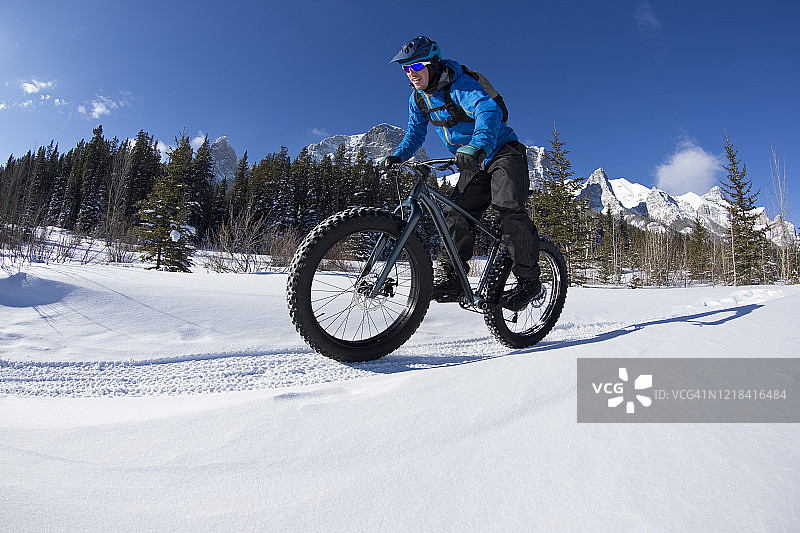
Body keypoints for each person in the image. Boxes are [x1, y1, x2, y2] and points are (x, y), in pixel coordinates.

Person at [380, 36, 542, 311]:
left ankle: (529, 280)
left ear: (433, 64)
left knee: (508, 209)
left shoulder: (459, 84)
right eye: (406, 68)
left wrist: (479, 145)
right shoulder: (418, 99)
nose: (411, 73)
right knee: (455, 214)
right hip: (473, 162)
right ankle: (454, 278)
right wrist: (398, 155)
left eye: (417, 65)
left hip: (502, 151)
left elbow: (487, 110)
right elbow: (415, 133)